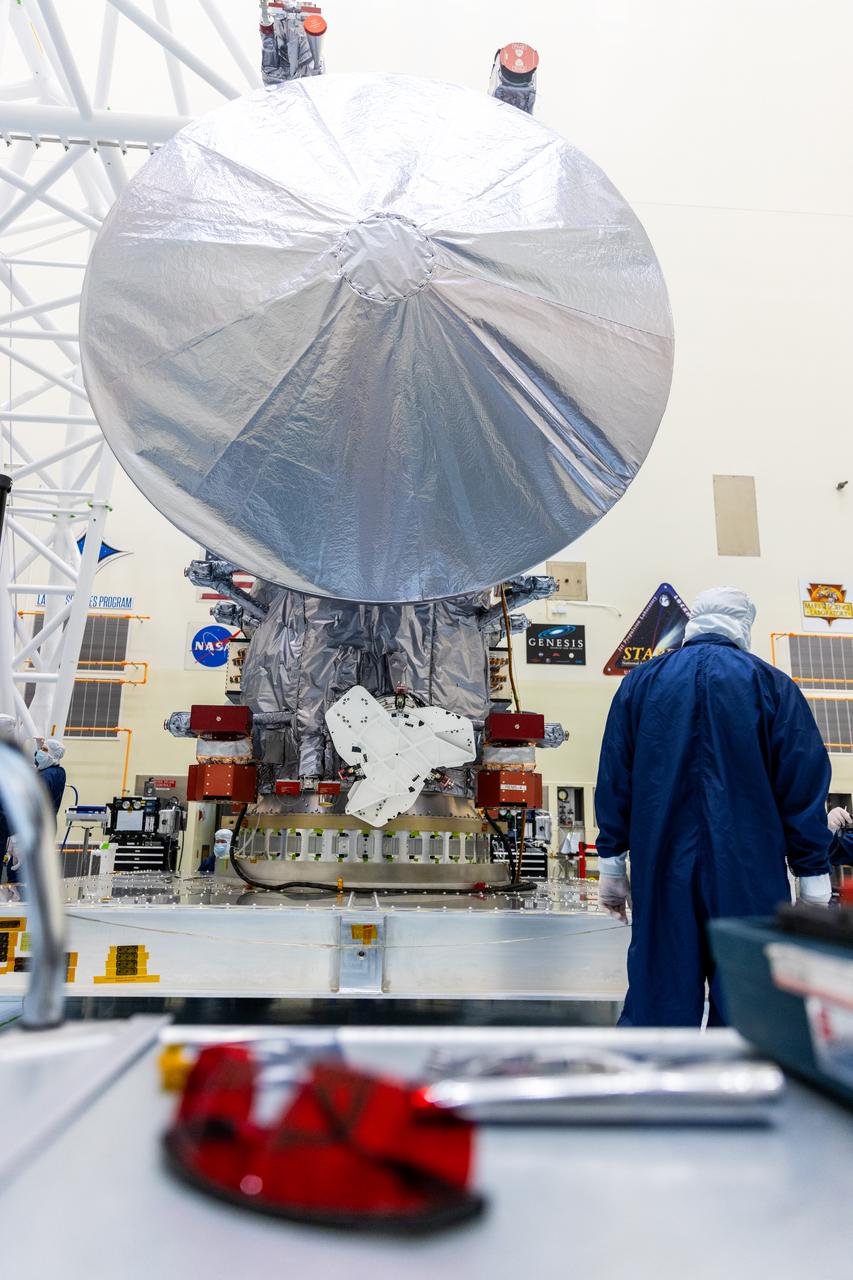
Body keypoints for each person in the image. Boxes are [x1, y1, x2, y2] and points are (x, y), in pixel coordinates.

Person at [596, 587, 833, 1027]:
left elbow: (614, 778)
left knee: (658, 998)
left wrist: (611, 865)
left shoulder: (640, 684)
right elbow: (802, 786)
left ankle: (657, 1089)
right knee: (752, 1004)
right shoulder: (771, 685)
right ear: (744, 626)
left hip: (662, 867)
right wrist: (813, 876)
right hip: (750, 871)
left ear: (695, 623)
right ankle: (743, 1091)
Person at [34, 737, 67, 815]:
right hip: (49, 820)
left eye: (44, 750)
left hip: (39, 821)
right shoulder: (60, 771)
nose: (40, 752)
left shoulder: (45, 775)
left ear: (52, 755)